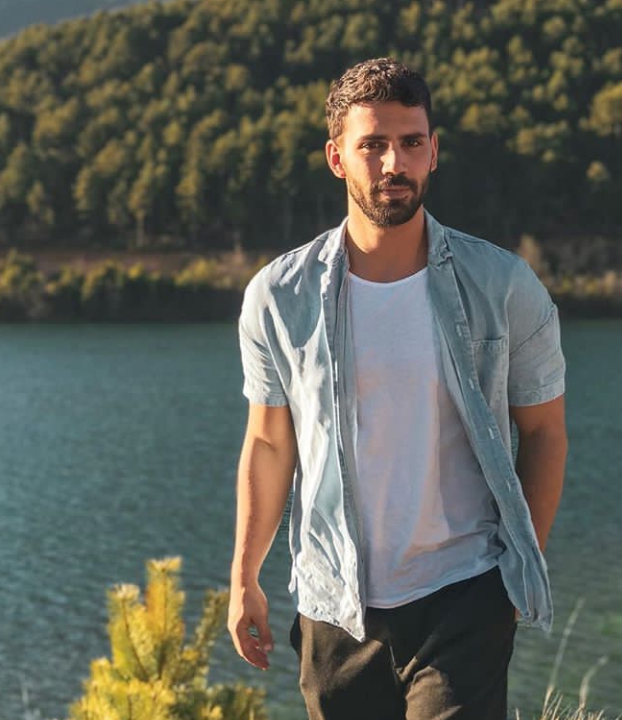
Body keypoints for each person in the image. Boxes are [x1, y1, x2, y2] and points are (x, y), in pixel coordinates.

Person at [227, 57, 567, 720]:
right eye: (373, 145)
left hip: (464, 594)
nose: (394, 164)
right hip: (335, 608)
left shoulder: (502, 286)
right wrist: (244, 580)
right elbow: (269, 444)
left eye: (411, 142)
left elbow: (544, 432)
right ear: (336, 158)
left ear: (434, 151)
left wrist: (513, 578)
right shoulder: (279, 297)